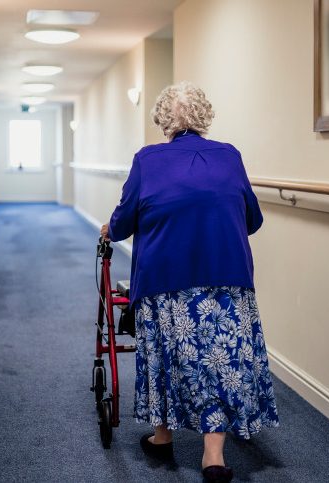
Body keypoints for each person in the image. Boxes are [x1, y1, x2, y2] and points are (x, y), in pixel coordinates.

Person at [100, 82, 279, 483]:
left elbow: (125, 220)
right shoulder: (229, 156)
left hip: (166, 278)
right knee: (221, 360)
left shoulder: (148, 159)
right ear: (203, 116)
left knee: (167, 353)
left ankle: (163, 435)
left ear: (164, 120)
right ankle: (213, 456)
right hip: (227, 277)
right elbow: (253, 218)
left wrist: (110, 228)